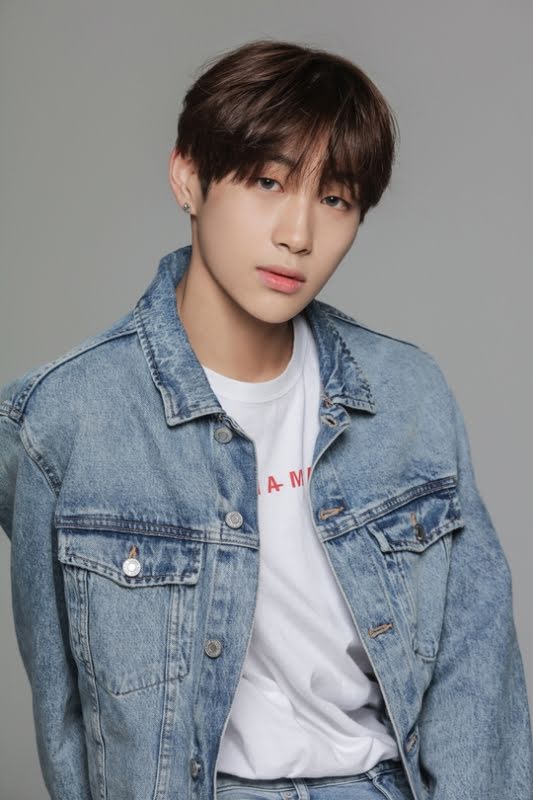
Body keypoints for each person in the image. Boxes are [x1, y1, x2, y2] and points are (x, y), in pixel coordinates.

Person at [0, 37, 531, 800]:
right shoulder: (62, 419)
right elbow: (66, 716)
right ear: (187, 177)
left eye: (334, 198)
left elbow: (476, 679)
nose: (298, 235)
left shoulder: (407, 396)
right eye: (266, 182)